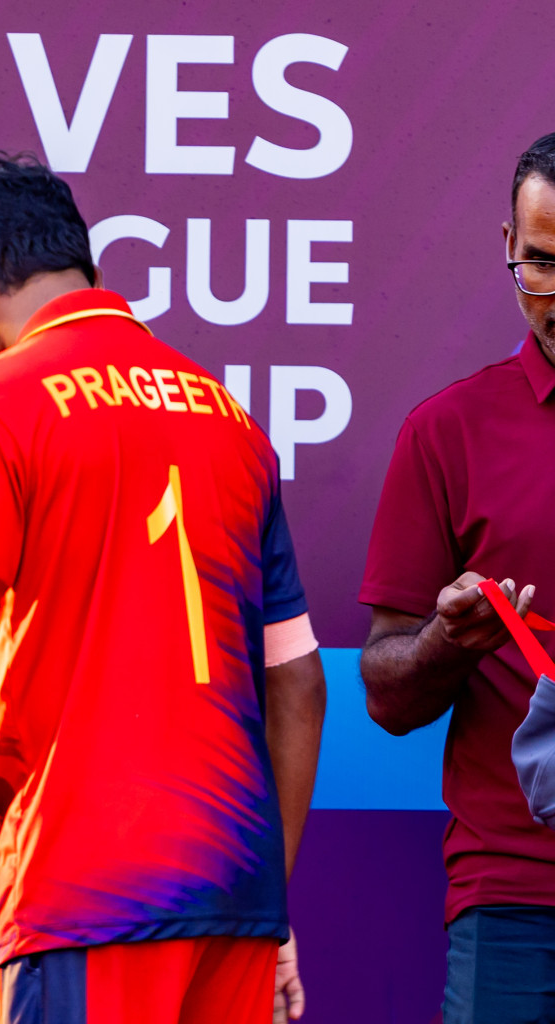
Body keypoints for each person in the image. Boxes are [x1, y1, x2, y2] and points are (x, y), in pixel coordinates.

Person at [0, 154, 327, 1024]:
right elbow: (298, 682)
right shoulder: (232, 420)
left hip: (77, 898)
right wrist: (269, 912)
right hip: (235, 904)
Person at [358, 132, 555, 1023]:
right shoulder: (447, 433)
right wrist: (450, 642)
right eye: (541, 265)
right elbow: (387, 696)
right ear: (507, 248)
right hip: (513, 893)